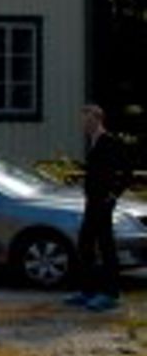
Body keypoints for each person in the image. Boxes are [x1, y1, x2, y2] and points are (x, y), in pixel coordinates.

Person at [71, 104, 127, 311]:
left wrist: (113, 195)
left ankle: (110, 294)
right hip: (91, 201)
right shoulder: (92, 142)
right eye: (82, 120)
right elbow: (98, 172)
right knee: (85, 244)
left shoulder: (109, 142)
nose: (83, 124)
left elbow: (126, 172)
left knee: (106, 246)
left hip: (103, 202)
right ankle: (88, 290)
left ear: (97, 119)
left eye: (86, 120)